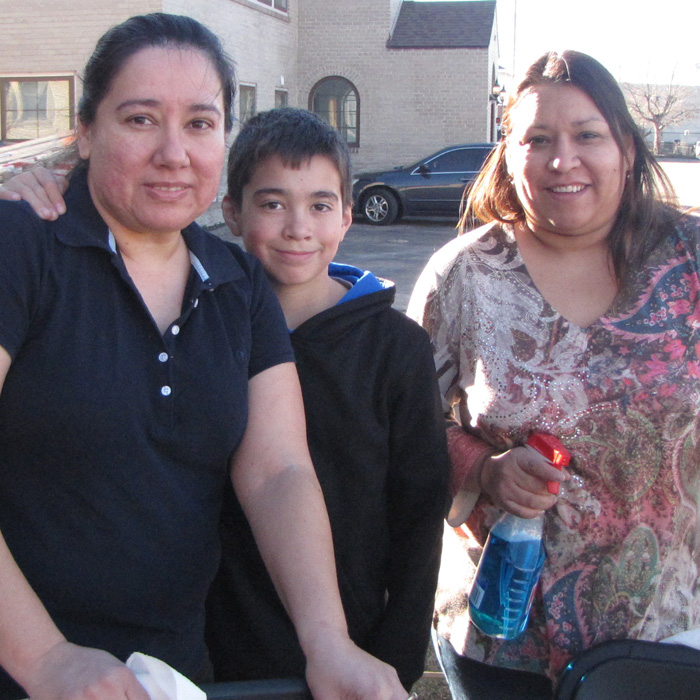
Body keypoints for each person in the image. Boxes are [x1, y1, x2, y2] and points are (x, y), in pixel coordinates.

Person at [0, 14, 406, 700]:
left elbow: (277, 470)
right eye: (140, 119)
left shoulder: (237, 283)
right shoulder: (21, 246)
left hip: (173, 674)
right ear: (87, 130)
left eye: (199, 123)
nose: (173, 153)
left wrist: (327, 641)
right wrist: (46, 660)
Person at [407, 50, 700, 700]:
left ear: (626, 148)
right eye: (537, 139)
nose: (562, 160)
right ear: (508, 156)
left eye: (586, 135)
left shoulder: (690, 257)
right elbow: (403, 425)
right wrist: (484, 470)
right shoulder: (465, 274)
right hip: (500, 639)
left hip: (668, 634)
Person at [205, 107, 449, 690]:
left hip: (353, 640)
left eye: (319, 205)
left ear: (346, 215)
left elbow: (419, 510)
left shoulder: (397, 348)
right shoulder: (204, 332)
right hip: (215, 643)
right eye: (272, 204)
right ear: (232, 212)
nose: (298, 227)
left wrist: (398, 653)